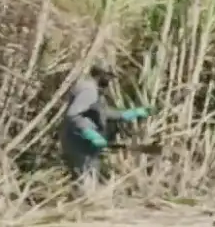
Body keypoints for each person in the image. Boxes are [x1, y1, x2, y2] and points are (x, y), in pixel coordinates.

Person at [60, 63, 151, 196]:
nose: (110, 81)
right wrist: (89, 133)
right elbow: (73, 114)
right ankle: (86, 206)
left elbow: (101, 112)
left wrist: (129, 114)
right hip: (78, 142)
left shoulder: (93, 89)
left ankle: (85, 203)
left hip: (85, 144)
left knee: (88, 179)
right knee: (85, 182)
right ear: (100, 74)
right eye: (108, 76)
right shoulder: (89, 90)